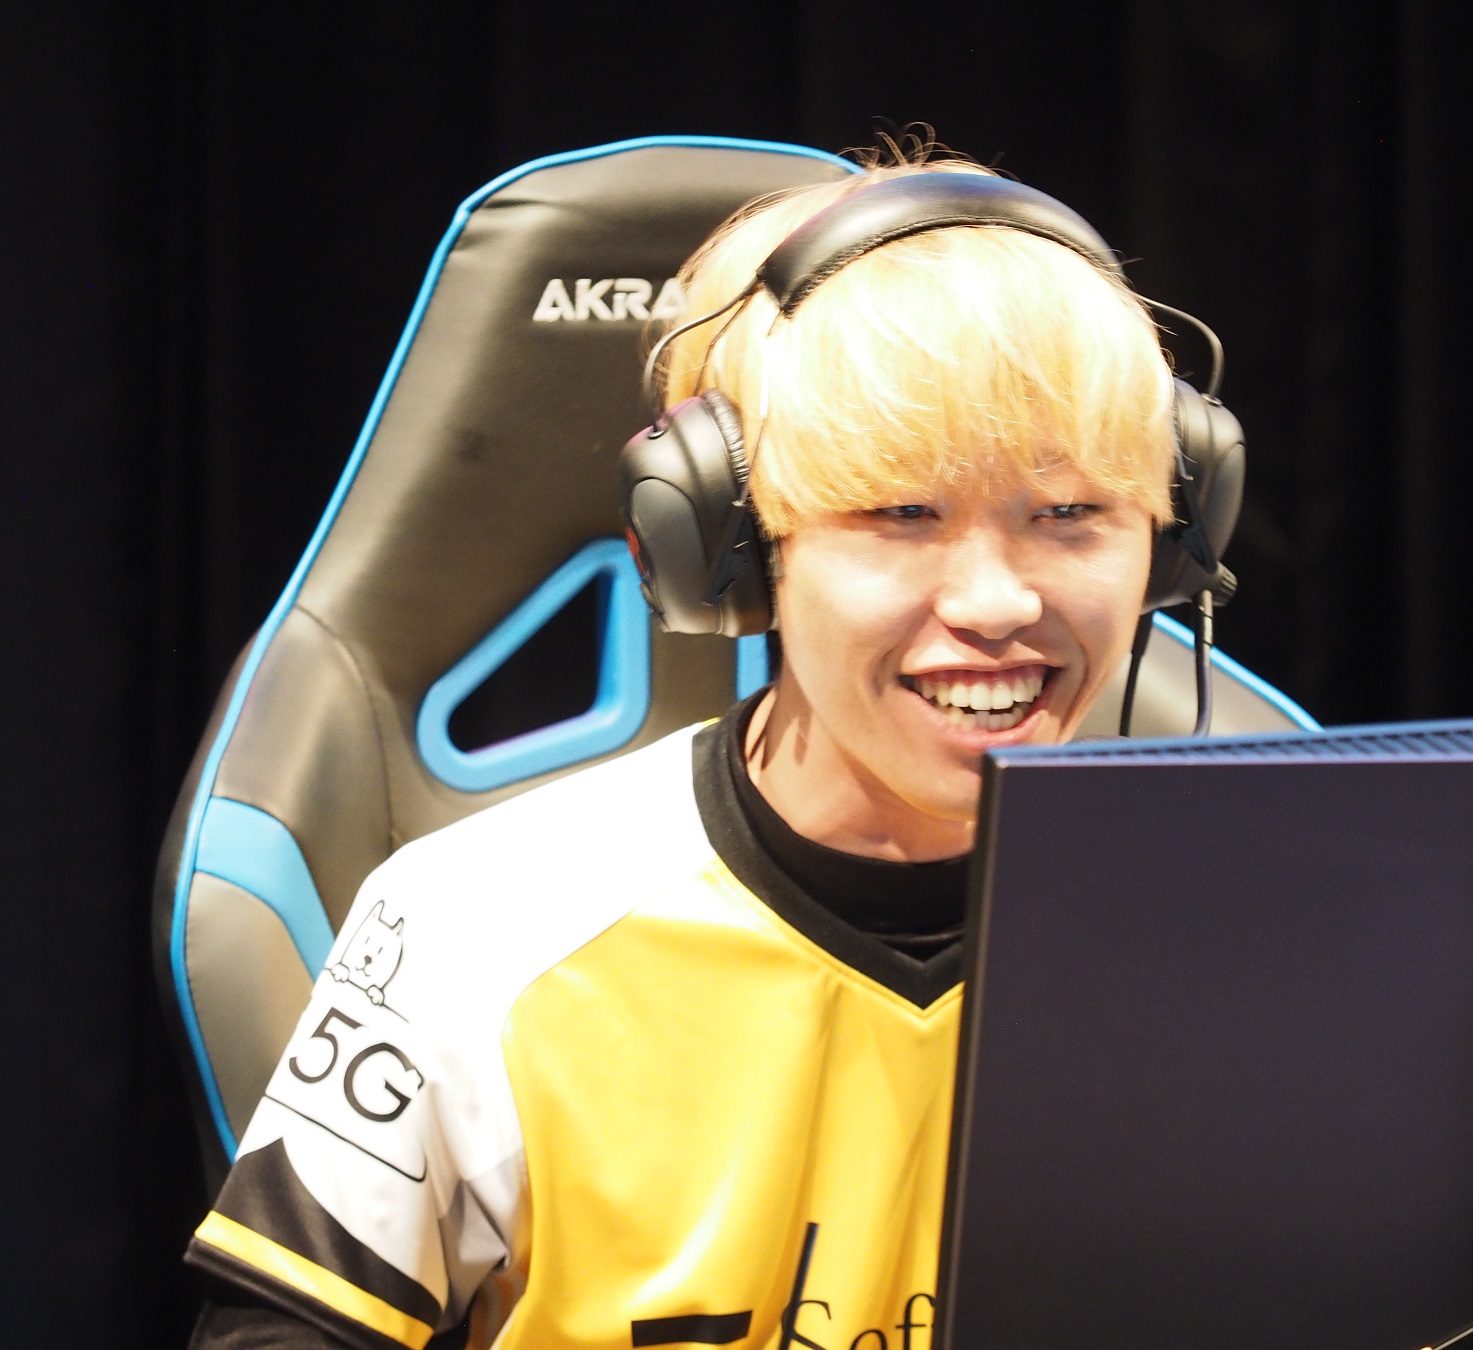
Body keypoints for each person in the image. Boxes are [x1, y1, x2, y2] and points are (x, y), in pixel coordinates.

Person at [184, 146, 1180, 1349]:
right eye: (901, 515)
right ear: (734, 546)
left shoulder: (1254, 931)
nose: (997, 602)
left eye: (1071, 514)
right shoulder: (479, 931)